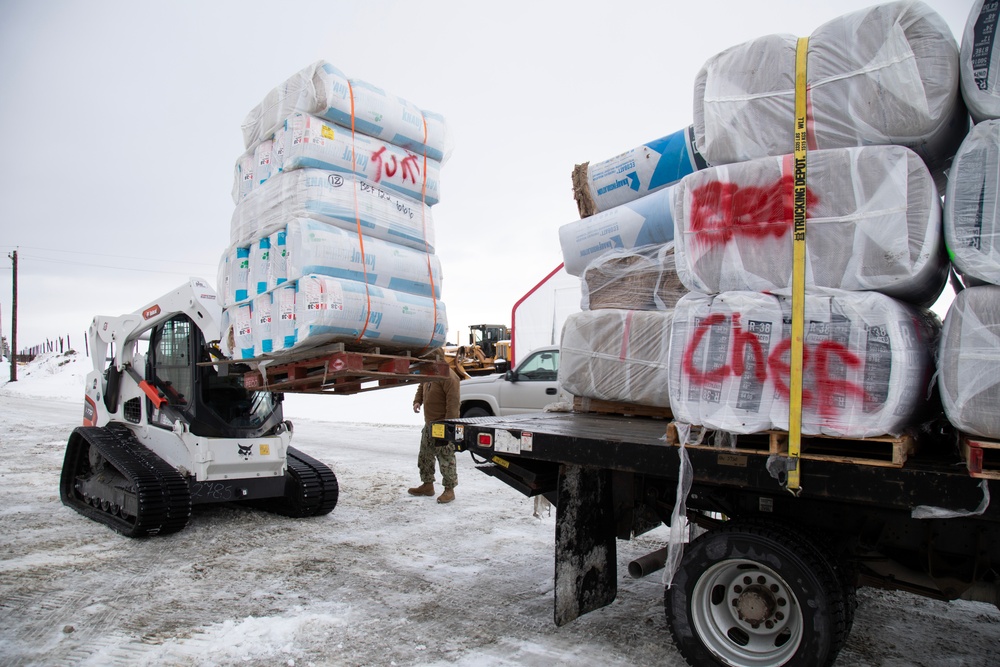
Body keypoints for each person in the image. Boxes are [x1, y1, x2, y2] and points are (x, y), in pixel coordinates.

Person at [408, 349, 461, 503]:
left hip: (442, 425)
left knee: (445, 457)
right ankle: (427, 485)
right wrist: (417, 401)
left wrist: (448, 428)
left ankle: (449, 490)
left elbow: (453, 404)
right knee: (425, 456)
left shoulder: (449, 377)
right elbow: (421, 387)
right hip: (429, 423)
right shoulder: (429, 373)